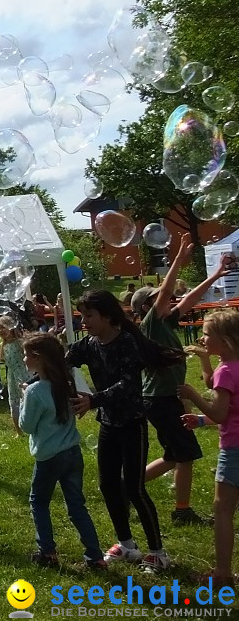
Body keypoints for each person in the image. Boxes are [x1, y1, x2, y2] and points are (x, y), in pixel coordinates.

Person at [67, 290, 183, 572]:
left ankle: (158, 552)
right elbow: (63, 362)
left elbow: (128, 385)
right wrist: (37, 378)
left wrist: (93, 400)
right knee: (108, 485)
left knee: (134, 488)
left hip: (132, 424)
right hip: (108, 424)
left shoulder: (127, 342)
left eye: (89, 316)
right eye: (82, 316)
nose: (84, 322)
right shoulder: (89, 344)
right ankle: (127, 545)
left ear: (107, 316)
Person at [133, 233, 224, 526]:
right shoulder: (149, 324)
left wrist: (218, 274)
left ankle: (126, 487)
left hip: (163, 397)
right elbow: (167, 292)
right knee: (184, 454)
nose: (169, 299)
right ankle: (182, 511)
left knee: (176, 455)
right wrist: (178, 260)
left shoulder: (165, 322)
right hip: (161, 398)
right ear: (146, 308)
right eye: (159, 298)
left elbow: (189, 298)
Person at [20, 334, 106, 570]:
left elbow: (26, 426)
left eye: (27, 354)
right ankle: (95, 557)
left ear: (39, 359)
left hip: (48, 457)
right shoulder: (67, 384)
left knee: (38, 502)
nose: (24, 359)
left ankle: (47, 552)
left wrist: (23, 398)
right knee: (77, 505)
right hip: (72, 453)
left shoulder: (34, 391)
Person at [180, 309, 239, 587]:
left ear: (225, 341)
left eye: (206, 334)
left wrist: (193, 396)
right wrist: (202, 420)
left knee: (223, 510)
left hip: (234, 449)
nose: (202, 339)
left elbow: (221, 414)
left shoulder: (225, 371)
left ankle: (223, 575)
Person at [0, 315, 29, 437]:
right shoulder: (2, 345)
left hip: (24, 374)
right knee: (13, 402)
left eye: (3, 327)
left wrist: (26, 339)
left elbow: (28, 352)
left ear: (11, 327)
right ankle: (19, 432)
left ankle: (31, 427)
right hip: (12, 377)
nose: (0, 331)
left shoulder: (19, 342)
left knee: (27, 400)